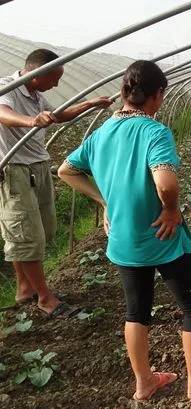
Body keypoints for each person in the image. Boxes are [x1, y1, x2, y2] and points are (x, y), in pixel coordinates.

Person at [58, 60, 191, 402]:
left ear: (125, 93)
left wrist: (105, 201)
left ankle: (144, 382)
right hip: (162, 237)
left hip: (123, 239)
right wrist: (170, 208)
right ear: (157, 95)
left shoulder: (101, 133)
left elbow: (66, 170)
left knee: (136, 310)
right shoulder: (154, 131)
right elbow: (166, 182)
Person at [0, 48, 112, 318]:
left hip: (36, 167)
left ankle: (24, 289)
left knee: (39, 230)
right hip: (14, 170)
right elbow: (1, 113)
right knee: (27, 235)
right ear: (38, 73)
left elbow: (60, 115)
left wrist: (90, 104)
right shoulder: (8, 87)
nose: (57, 84)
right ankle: (45, 298)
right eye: (55, 78)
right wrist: (31, 121)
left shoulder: (38, 95)